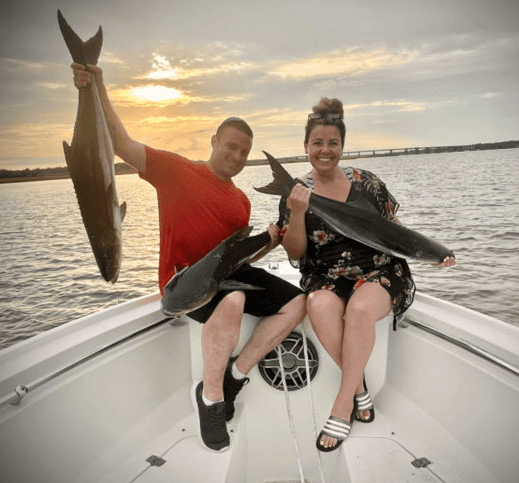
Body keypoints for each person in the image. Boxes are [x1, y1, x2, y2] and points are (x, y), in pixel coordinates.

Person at [71, 63, 306, 453]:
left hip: (227, 273)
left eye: (244, 152)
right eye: (231, 146)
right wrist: (97, 86)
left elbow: (237, 254)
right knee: (233, 298)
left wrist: (272, 241)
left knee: (298, 302)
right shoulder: (176, 170)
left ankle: (236, 374)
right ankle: (212, 400)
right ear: (213, 141)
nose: (237, 155)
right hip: (184, 285)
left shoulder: (242, 200)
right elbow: (121, 143)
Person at [278, 97, 455, 452]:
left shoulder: (368, 183)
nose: (325, 150)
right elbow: (295, 252)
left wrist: (432, 252)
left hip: (379, 270)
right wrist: (296, 212)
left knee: (359, 311)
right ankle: (359, 387)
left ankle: (344, 405)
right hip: (326, 275)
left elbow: (396, 231)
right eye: (318, 143)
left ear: (342, 146)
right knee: (320, 305)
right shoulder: (296, 192)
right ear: (305, 147)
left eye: (333, 143)